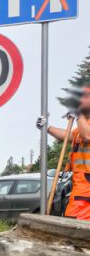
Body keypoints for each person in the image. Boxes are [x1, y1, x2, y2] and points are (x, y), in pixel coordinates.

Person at [39, 85, 90, 220]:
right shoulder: (84, 122)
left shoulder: (84, 123)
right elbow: (67, 136)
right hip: (82, 182)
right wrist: (46, 127)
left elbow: (87, 136)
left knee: (75, 222)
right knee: (73, 222)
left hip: (87, 186)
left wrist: (78, 114)